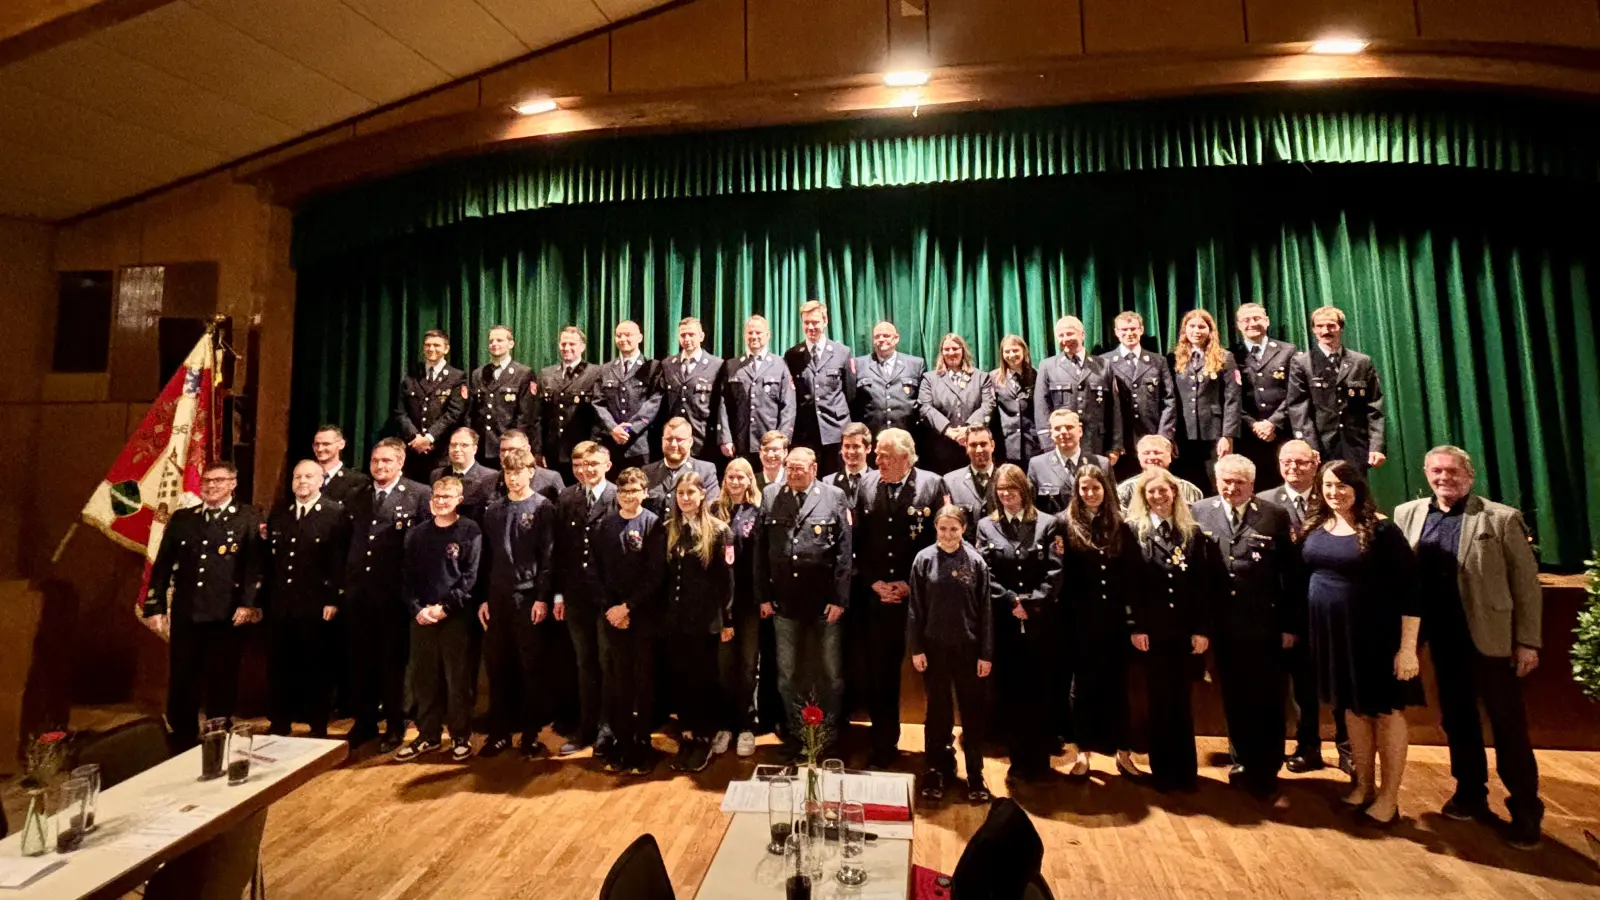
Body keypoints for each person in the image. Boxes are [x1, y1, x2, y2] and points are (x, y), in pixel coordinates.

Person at [1395, 446, 1543, 848]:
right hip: (1442, 641)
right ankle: (1470, 793)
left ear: (1469, 476)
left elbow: (1526, 585)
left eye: (1452, 471)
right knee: (1458, 720)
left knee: (1508, 726)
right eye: (1436, 471)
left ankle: (1527, 810)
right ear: (1426, 473)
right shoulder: (1407, 513)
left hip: (1491, 641)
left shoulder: (1501, 518)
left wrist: (1527, 641)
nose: (1444, 478)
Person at [1301, 460, 1421, 826]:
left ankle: (1389, 798)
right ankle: (1364, 786)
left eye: (1342, 486)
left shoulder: (1381, 529)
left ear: (1358, 488)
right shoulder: (1315, 526)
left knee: (1385, 714)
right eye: (1328, 486)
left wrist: (1407, 648)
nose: (1334, 492)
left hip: (1376, 637)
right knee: (1352, 711)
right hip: (1334, 636)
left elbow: (1411, 591)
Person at [1191, 455, 1300, 800]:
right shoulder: (1199, 512)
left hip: (1264, 626)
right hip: (1223, 627)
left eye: (1239, 482)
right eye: (1226, 480)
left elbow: (1291, 577)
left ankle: (1266, 768)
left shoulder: (1273, 515)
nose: (1232, 487)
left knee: (1267, 700)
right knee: (1235, 698)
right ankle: (1241, 761)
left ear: (1252, 485)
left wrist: (1289, 625)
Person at [141, 462, 264, 749]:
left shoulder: (248, 517)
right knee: (184, 675)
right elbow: (162, 565)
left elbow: (253, 567)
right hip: (188, 611)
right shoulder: (184, 518)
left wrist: (249, 604)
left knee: (223, 675)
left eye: (219, 481)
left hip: (226, 613)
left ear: (233, 483)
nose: (211, 486)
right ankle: (181, 734)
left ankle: (218, 731)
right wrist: (155, 605)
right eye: (207, 481)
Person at [853, 427, 947, 768]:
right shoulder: (866, 485)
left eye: (884, 455)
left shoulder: (933, 485)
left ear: (906, 458)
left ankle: (938, 751)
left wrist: (910, 584)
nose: (876, 460)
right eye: (876, 454)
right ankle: (883, 744)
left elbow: (943, 544)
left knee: (934, 674)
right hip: (879, 599)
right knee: (880, 676)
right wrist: (872, 583)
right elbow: (856, 543)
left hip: (920, 599)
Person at [1256, 439, 1350, 775]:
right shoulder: (1264, 503)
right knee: (1301, 686)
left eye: (1301, 462)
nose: (1293, 469)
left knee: (1341, 681)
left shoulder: (1335, 498)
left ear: (1316, 462)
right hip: (1287, 611)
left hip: (1332, 608)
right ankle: (1308, 746)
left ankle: (1348, 748)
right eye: (1286, 462)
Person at [753, 447, 852, 760]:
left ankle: (828, 734)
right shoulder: (770, 495)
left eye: (799, 469)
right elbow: (760, 552)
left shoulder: (834, 496)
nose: (793, 474)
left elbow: (844, 553)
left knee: (831, 673)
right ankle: (798, 733)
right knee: (787, 673)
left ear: (814, 468)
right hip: (784, 603)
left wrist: (840, 598)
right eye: (789, 468)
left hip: (824, 603)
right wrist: (763, 597)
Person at [1127, 467, 1222, 792]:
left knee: (1181, 701)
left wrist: (1201, 630)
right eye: (1151, 492)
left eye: (1163, 492)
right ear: (1144, 497)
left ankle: (1185, 771)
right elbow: (1132, 587)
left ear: (1174, 494)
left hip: (1183, 632)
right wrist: (1136, 626)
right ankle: (1162, 771)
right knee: (1158, 701)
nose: (1158, 497)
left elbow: (1202, 587)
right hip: (1151, 633)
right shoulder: (1134, 532)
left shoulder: (1191, 533)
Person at [342, 439, 432, 752]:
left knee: (392, 664)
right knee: (360, 662)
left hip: (395, 595)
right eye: (376, 461)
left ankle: (396, 724)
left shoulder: (419, 494)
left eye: (387, 461)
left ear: (400, 463)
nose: (380, 467)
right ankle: (364, 721)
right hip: (359, 594)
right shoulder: (357, 495)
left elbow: (424, 545)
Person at [975, 464, 1062, 782]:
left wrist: (1032, 602)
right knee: (1010, 691)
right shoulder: (987, 526)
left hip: (1040, 623)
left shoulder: (1047, 524)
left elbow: (1056, 571)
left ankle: (1038, 759)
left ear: (1024, 490)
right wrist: (1012, 601)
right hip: (1005, 621)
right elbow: (985, 571)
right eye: (1001, 491)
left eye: (1012, 489)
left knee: (1039, 691)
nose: (1007, 495)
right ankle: (1017, 758)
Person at [1058, 464, 1143, 779]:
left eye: (1096, 487)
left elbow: (1133, 576)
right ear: (1077, 492)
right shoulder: (1065, 525)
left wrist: (1134, 621)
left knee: (1118, 688)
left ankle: (1123, 753)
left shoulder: (1121, 526)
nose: (1091, 493)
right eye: (1085, 488)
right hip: (1080, 621)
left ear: (1106, 490)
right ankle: (1083, 753)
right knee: (1082, 689)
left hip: (1115, 622)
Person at [909, 505, 994, 804]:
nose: (948, 535)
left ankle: (975, 774)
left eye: (954, 529)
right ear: (936, 529)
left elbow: (985, 611)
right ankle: (935, 770)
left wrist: (986, 654)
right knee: (938, 713)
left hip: (969, 650)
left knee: (971, 713)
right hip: (934, 649)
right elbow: (916, 609)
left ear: (963, 530)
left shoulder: (975, 562)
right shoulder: (923, 560)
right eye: (942, 529)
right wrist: (916, 648)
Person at [396, 476, 482, 762]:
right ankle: (428, 734)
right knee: (424, 678)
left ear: (459, 500)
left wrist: (445, 608)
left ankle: (460, 735)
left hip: (454, 617)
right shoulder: (417, 534)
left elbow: (469, 578)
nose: (440, 501)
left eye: (447, 497)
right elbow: (406, 577)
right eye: (436, 496)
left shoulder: (469, 530)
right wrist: (418, 608)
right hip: (421, 617)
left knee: (457, 678)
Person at [477, 448, 556, 759]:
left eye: (519, 471)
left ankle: (530, 733)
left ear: (530, 472)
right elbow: (486, 559)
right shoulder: (494, 510)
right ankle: (499, 733)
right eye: (508, 472)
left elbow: (549, 558)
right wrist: (484, 597)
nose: (513, 477)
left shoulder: (543, 507)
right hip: (498, 598)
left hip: (528, 597)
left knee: (530, 668)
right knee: (498, 666)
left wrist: (542, 598)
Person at [264, 461, 348, 738]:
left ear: (321, 480)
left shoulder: (335, 514)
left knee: (316, 666)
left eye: (309, 476)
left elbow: (340, 561)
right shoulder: (280, 514)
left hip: (316, 605)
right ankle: (279, 722)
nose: (302, 481)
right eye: (297, 476)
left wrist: (333, 598)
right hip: (281, 604)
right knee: (279, 665)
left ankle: (318, 724)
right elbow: (271, 562)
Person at [595, 467, 668, 775]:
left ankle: (642, 745)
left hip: (642, 616)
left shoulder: (653, 525)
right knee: (617, 681)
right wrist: (612, 608)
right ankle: (622, 743)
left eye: (634, 491)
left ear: (645, 493)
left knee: (643, 682)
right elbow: (594, 571)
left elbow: (655, 574)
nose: (628, 496)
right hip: (613, 617)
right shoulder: (604, 525)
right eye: (623, 491)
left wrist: (629, 607)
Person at [663, 472, 736, 772]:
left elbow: (726, 581)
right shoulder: (669, 529)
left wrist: (727, 619)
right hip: (676, 620)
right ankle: (688, 736)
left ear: (703, 495)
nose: (685, 498)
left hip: (706, 621)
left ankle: (705, 738)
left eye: (691, 493)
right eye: (680, 493)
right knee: (681, 678)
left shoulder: (719, 531)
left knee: (704, 679)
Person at [551, 442, 617, 757]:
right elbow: (560, 551)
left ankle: (608, 730)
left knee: (609, 663)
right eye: (583, 464)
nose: (588, 469)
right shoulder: (567, 497)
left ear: (607, 464)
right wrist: (560, 593)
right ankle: (586, 727)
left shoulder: (618, 496)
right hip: (576, 596)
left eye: (595, 464)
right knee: (584, 663)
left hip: (608, 598)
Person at [1287, 306, 1386, 472]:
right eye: (1320, 326)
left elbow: (1374, 407)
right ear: (1313, 330)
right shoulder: (1303, 363)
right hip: (1320, 446)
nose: (1326, 331)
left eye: (1331, 325)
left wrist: (1376, 445)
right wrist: (1310, 446)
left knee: (1357, 493)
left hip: (1355, 445)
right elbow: (1299, 409)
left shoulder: (1361, 362)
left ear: (1341, 328)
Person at [714, 458, 764, 758]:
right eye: (730, 476)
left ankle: (747, 726)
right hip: (719, 605)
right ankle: (725, 725)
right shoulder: (713, 511)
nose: (735, 482)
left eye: (741, 477)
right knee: (723, 667)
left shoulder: (757, 514)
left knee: (748, 667)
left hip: (748, 603)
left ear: (749, 481)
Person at [1033, 314, 1122, 466]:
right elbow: (1041, 408)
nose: (1065, 339)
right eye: (1061, 335)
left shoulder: (1103, 365)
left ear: (1082, 334)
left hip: (1096, 443)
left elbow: (1114, 409)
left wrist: (1115, 446)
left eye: (1069, 333)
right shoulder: (1048, 366)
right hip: (1061, 443)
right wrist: (1048, 444)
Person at [1169, 308, 1239, 492]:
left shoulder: (1225, 357)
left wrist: (1227, 435)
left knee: (1215, 482)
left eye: (1202, 326)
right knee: (1186, 484)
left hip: (1213, 433)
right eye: (1192, 326)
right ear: (1185, 330)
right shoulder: (1173, 358)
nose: (1196, 331)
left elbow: (1232, 398)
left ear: (1210, 330)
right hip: (1183, 434)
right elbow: (1171, 399)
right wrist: (1171, 434)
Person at [1102, 311, 1176, 483]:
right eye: (1124, 330)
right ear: (1116, 332)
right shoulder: (1104, 362)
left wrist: (1163, 437)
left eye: (1133, 329)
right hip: (1121, 441)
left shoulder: (1158, 361)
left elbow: (1169, 400)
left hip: (1152, 437)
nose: (1129, 334)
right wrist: (1113, 443)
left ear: (1141, 330)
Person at [785, 301, 856, 475]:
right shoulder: (792, 355)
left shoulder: (842, 352)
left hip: (835, 430)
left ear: (825, 321)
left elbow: (851, 393)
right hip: (806, 433)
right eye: (806, 322)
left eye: (815, 322)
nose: (810, 327)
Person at [1232, 303, 1296, 489]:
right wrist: (1253, 424)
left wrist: (1273, 423)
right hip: (1247, 436)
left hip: (1283, 431)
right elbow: (1230, 397)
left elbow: (1295, 392)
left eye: (1257, 318)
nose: (1252, 323)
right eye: (1246, 319)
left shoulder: (1287, 351)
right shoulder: (1230, 355)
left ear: (1266, 321)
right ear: (1238, 325)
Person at [720, 315, 796, 470]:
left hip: (771, 444)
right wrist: (725, 438)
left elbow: (789, 406)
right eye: (750, 333)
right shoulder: (732, 365)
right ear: (744, 335)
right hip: (741, 442)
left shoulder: (780, 364)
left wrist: (782, 440)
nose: (754, 336)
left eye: (758, 333)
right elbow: (724, 406)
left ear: (768, 335)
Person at [919, 333, 996, 475]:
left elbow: (988, 405)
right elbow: (925, 407)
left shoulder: (981, 377)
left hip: (975, 447)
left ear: (963, 351)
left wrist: (968, 430)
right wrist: (948, 430)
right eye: (946, 349)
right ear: (941, 353)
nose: (951, 353)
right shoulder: (929, 379)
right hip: (941, 451)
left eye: (955, 348)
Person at [396, 329, 467, 480]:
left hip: (440, 452)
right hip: (412, 451)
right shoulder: (411, 375)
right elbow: (400, 412)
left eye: (436, 345)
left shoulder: (457, 377)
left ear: (446, 349)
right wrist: (416, 437)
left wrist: (429, 438)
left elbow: (454, 413)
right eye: (428, 345)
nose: (431, 349)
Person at [536, 326, 603, 483]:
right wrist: (538, 450)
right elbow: (538, 417)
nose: (567, 348)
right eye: (563, 344)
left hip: (581, 450)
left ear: (582, 347)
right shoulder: (547, 374)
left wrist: (592, 448)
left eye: (572, 344)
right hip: (552, 451)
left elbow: (598, 417)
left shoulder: (594, 373)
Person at [593, 319, 661, 468]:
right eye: (619, 335)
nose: (623, 339)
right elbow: (598, 402)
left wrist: (630, 428)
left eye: (628, 335)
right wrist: (613, 428)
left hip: (639, 444)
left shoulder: (652, 367)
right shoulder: (605, 369)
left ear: (640, 338)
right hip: (611, 443)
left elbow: (654, 401)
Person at [656, 317, 725, 463]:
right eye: (683, 335)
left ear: (701, 336)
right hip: (674, 441)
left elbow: (720, 405)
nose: (687, 339)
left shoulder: (716, 365)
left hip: (702, 438)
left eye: (691, 334)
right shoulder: (668, 364)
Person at [468, 324, 538, 467]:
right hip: (482, 447)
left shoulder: (523, 373)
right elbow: (472, 412)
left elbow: (524, 416)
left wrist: (514, 446)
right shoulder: (478, 374)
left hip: (508, 447)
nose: (494, 344)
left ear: (511, 344)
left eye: (499, 340)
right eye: (491, 341)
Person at [1027, 409, 1111, 515]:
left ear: (1080, 431)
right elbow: (1031, 508)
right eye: (1057, 428)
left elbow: (1112, 505)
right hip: (1055, 530)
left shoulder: (1101, 463)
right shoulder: (1037, 465)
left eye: (1069, 427)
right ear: (1051, 434)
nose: (1063, 432)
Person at [852, 321, 925, 438]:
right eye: (877, 336)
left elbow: (922, 403)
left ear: (896, 338)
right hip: (872, 437)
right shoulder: (859, 364)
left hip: (907, 438)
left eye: (886, 336)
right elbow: (852, 402)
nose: (881, 339)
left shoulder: (915, 364)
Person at [644, 416, 721, 516]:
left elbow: (711, 510)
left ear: (690, 442)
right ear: (662, 441)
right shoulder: (648, 472)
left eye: (679, 440)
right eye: (669, 439)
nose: (674, 444)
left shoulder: (705, 471)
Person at [1114, 434, 1203, 511]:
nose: (1152, 457)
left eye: (1157, 453)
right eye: (1146, 453)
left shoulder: (1191, 491)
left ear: (1170, 456)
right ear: (1139, 457)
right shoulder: (1124, 491)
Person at [430, 427, 499, 522]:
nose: (457, 449)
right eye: (453, 445)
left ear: (474, 449)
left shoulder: (490, 477)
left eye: (464, 445)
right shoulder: (437, 475)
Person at [943, 425, 999, 540]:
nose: (979, 450)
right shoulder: (950, 482)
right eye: (973, 445)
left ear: (992, 445)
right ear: (966, 448)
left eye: (983, 444)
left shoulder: (1007, 478)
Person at [990, 335, 1038, 468]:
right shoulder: (993, 378)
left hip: (1032, 444)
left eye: (1015, 350)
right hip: (1005, 445)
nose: (1011, 355)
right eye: (1007, 351)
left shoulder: (1036, 376)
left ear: (1024, 351)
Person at [497, 429, 565, 503]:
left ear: (527, 449)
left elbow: (562, 510)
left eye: (512, 449)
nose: (506, 455)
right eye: (503, 450)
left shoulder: (550, 479)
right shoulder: (490, 482)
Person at [311, 424, 370, 505]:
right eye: (316, 444)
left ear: (341, 444)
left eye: (326, 444)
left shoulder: (356, 480)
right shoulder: (303, 476)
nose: (320, 449)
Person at [823, 422, 873, 507]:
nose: (850, 452)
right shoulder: (828, 482)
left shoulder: (877, 479)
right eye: (846, 446)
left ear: (868, 448)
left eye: (856, 446)